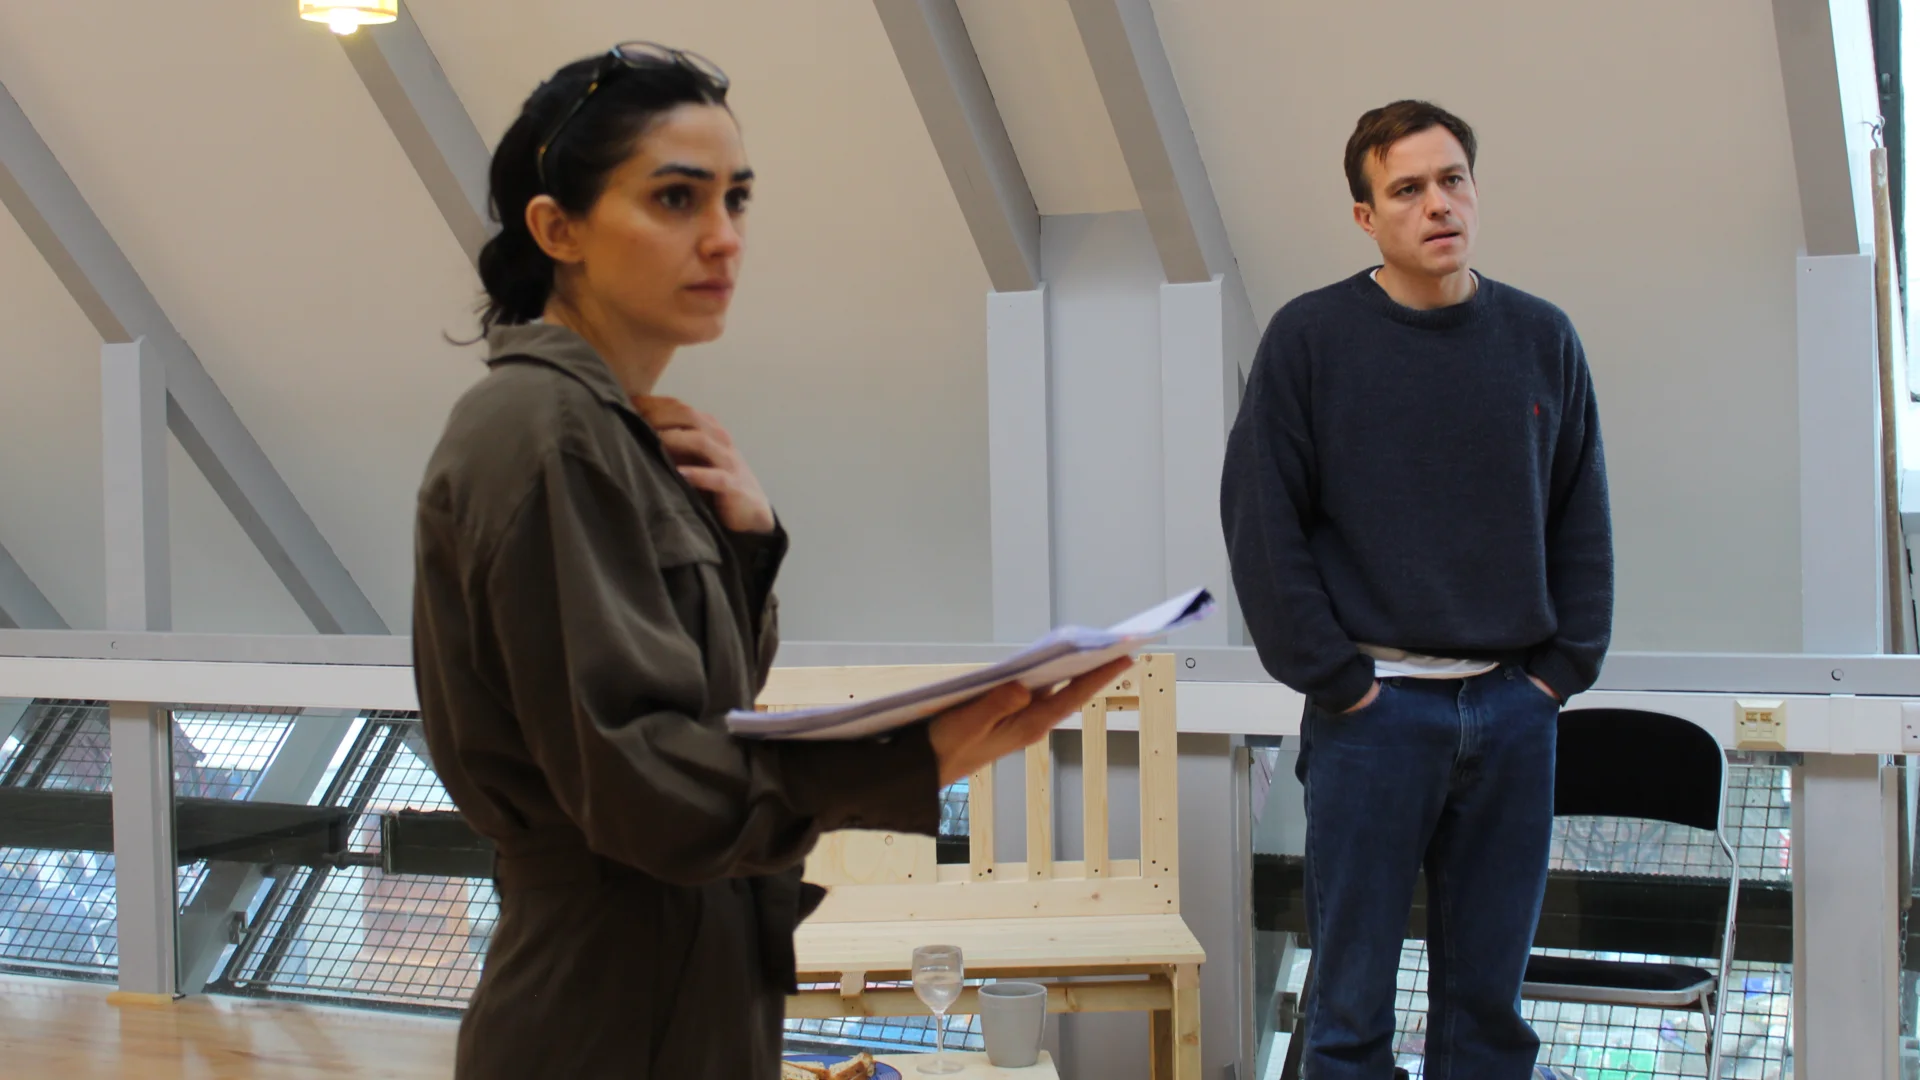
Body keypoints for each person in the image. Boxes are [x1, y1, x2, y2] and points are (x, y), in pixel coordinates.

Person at [411, 45, 1130, 1079]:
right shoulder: (543, 431)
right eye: (674, 198)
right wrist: (908, 759)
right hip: (610, 1003)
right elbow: (646, 789)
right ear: (556, 228)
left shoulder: (618, 433)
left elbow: (696, 710)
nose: (723, 238)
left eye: (736, 200)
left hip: (684, 973)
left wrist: (742, 548)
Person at [1220, 100, 1613, 1079]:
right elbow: (1262, 523)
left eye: (1453, 180)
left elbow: (1582, 514)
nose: (1437, 204)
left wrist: (1558, 676)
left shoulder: (1541, 338)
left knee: (1488, 1018)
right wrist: (1341, 683)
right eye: (1407, 189)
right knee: (1349, 1014)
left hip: (1514, 711)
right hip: (1373, 721)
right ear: (1366, 216)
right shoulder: (1311, 342)